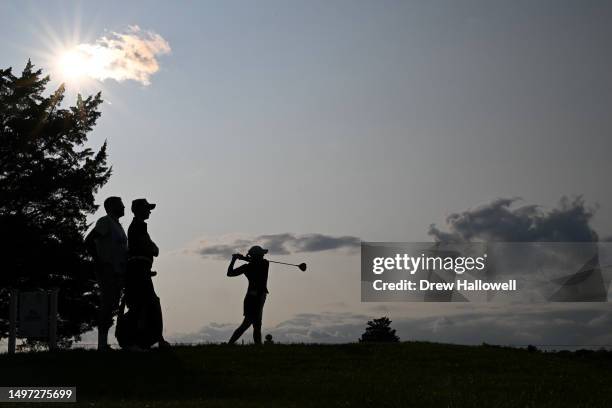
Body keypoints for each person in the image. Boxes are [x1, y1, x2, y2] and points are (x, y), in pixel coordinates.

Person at [118, 198, 170, 350]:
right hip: (138, 271)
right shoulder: (138, 226)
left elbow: (152, 248)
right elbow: (152, 248)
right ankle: (135, 341)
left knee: (147, 303)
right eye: (147, 208)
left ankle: (147, 340)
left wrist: (151, 249)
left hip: (141, 271)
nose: (149, 211)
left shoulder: (139, 226)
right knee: (142, 304)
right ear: (139, 209)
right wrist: (151, 249)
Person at [84, 196, 128, 351]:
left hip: (118, 272)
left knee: (111, 306)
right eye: (121, 205)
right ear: (111, 207)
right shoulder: (105, 222)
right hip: (108, 270)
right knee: (107, 305)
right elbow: (88, 241)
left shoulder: (118, 225)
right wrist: (99, 262)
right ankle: (102, 345)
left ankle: (105, 343)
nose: (124, 208)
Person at [227, 246, 270, 345]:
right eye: (261, 254)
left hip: (254, 297)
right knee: (248, 324)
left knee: (256, 325)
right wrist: (243, 258)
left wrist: (234, 259)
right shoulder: (264, 264)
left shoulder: (248, 267)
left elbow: (230, 273)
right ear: (258, 256)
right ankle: (230, 344)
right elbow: (255, 261)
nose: (263, 256)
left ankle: (257, 347)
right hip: (256, 298)